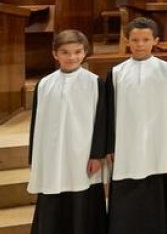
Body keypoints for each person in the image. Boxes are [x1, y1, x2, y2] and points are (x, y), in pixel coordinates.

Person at [106, 17, 167, 234]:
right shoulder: (117, 73)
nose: (140, 44)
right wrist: (110, 145)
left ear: (155, 41)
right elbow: (109, 113)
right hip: (126, 143)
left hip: (158, 140)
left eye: (145, 39)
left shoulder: (166, 70)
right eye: (135, 39)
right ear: (127, 40)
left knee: (157, 185)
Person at [28, 29, 107, 234]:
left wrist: (97, 155)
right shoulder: (44, 84)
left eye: (77, 51)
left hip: (81, 153)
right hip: (52, 153)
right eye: (65, 52)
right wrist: (34, 158)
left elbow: (101, 121)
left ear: (85, 52)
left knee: (82, 198)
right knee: (52, 196)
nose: (72, 57)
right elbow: (37, 125)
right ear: (55, 54)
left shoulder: (94, 82)